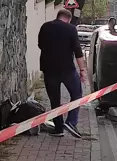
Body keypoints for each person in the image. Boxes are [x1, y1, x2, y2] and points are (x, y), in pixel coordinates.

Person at [38, 9, 87, 138]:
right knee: (77, 94)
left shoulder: (45, 27)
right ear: (68, 19)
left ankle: (58, 129)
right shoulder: (71, 29)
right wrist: (82, 70)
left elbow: (40, 45)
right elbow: (78, 51)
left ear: (58, 16)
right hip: (67, 69)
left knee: (55, 100)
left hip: (48, 69)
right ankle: (71, 122)